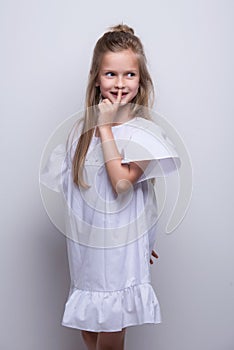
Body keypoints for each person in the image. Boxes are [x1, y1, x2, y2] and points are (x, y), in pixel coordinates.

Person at [40, 23, 181, 350]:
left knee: (111, 331)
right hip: (88, 252)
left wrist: (105, 129)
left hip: (120, 254)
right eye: (110, 74)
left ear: (141, 80)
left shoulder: (143, 133)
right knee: (89, 328)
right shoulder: (79, 131)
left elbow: (120, 183)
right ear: (96, 77)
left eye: (129, 74)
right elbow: (81, 195)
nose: (119, 83)